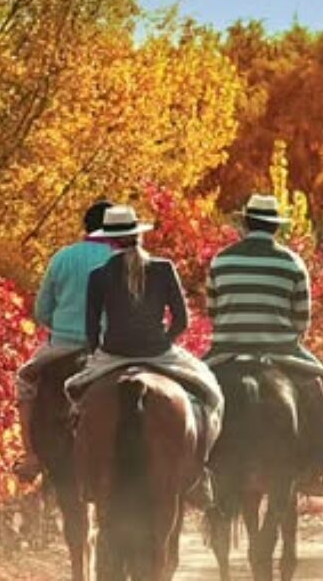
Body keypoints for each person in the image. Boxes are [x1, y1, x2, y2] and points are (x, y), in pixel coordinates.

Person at [65, 204, 223, 508]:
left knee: (73, 397)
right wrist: (162, 341)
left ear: (109, 240)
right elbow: (182, 321)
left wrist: (97, 354)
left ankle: (87, 478)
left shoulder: (99, 275)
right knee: (212, 394)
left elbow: (91, 330)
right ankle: (200, 472)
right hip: (159, 353)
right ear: (138, 234)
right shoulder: (163, 268)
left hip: (113, 354)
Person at [203, 194, 323, 498]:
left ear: (245, 224)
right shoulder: (291, 262)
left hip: (226, 349)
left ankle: (197, 475)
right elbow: (302, 319)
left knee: (192, 397)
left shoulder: (221, 260)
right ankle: (315, 470)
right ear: (275, 227)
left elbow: (212, 311)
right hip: (282, 350)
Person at [15, 199, 115, 481]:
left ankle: (30, 456)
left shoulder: (62, 258)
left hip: (63, 345)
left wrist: (63, 325)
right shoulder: (123, 259)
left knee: (25, 381)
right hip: (109, 349)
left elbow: (41, 311)